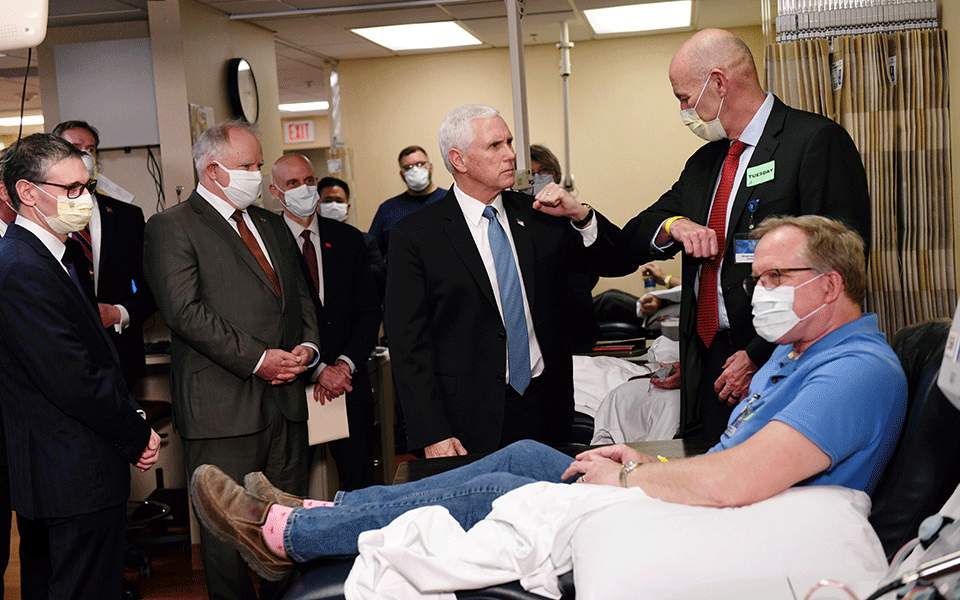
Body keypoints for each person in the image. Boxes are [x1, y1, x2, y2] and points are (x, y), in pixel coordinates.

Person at [189, 216, 906, 581]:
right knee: (534, 455)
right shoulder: (801, 354)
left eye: (778, 278)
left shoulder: (854, 372)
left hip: (746, 527)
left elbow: (737, 481)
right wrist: (644, 467)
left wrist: (633, 478)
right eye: (759, 276)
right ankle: (328, 512)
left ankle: (287, 537)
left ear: (830, 284)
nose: (760, 291)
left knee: (512, 490)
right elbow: (731, 462)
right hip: (721, 505)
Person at [622, 28, 871, 443]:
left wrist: (758, 354)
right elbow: (636, 233)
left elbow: (841, 263)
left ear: (718, 83)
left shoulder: (813, 142)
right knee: (708, 469)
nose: (683, 110)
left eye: (684, 98)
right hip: (708, 356)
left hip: (780, 354)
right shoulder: (705, 164)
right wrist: (673, 225)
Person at [384, 104, 637, 459]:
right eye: (495, 145)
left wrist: (580, 215)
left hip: (546, 407)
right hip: (467, 419)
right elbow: (408, 343)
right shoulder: (416, 236)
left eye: (509, 142)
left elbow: (618, 260)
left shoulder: (539, 217)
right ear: (459, 160)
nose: (511, 154)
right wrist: (432, 431)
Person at [143, 121, 321, 600]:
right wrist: (259, 359)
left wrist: (308, 347)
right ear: (213, 170)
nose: (257, 175)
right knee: (227, 538)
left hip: (286, 402)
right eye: (247, 166)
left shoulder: (269, 224)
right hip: (222, 408)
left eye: (259, 165)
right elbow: (185, 313)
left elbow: (300, 298)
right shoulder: (172, 227)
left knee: (287, 526)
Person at [0, 133, 161, 598]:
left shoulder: (56, 255)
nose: (83, 199)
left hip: (74, 471)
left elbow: (94, 356)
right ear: (28, 193)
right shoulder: (22, 267)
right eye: (70, 189)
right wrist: (135, 431)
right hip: (68, 475)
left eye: (85, 187)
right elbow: (73, 377)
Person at [271, 155, 382, 490]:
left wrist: (344, 366)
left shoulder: (348, 239)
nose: (304, 189)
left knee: (358, 480)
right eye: (293, 183)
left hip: (347, 383)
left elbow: (368, 309)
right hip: (292, 387)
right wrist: (319, 370)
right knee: (291, 487)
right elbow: (271, 318)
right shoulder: (268, 242)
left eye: (309, 181)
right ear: (276, 192)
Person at [52, 119, 157, 388]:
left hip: (120, 355)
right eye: (75, 147)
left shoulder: (127, 217)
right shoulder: (42, 215)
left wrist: (119, 312)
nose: (85, 155)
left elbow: (152, 286)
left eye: (91, 149)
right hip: (60, 356)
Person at [530, 143, 599, 353]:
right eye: (532, 174)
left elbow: (593, 266)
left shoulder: (572, 215)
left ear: (555, 174)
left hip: (576, 321)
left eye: (543, 171)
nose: (538, 178)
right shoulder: (519, 220)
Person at [367, 145, 446, 258]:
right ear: (402, 175)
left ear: (430, 167)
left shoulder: (450, 201)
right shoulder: (388, 209)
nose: (415, 170)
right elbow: (372, 251)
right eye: (408, 167)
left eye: (420, 164)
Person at [317, 175, 386, 296]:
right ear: (317, 205)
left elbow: (379, 278)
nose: (333, 206)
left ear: (347, 207)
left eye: (339, 201)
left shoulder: (364, 241)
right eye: (328, 201)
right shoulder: (310, 241)